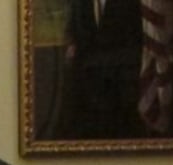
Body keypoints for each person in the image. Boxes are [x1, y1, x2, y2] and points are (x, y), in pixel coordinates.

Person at [62, 0, 145, 139]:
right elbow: (73, 30)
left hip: (120, 85)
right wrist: (71, 45)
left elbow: (135, 40)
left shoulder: (130, 3)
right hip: (87, 84)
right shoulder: (80, 3)